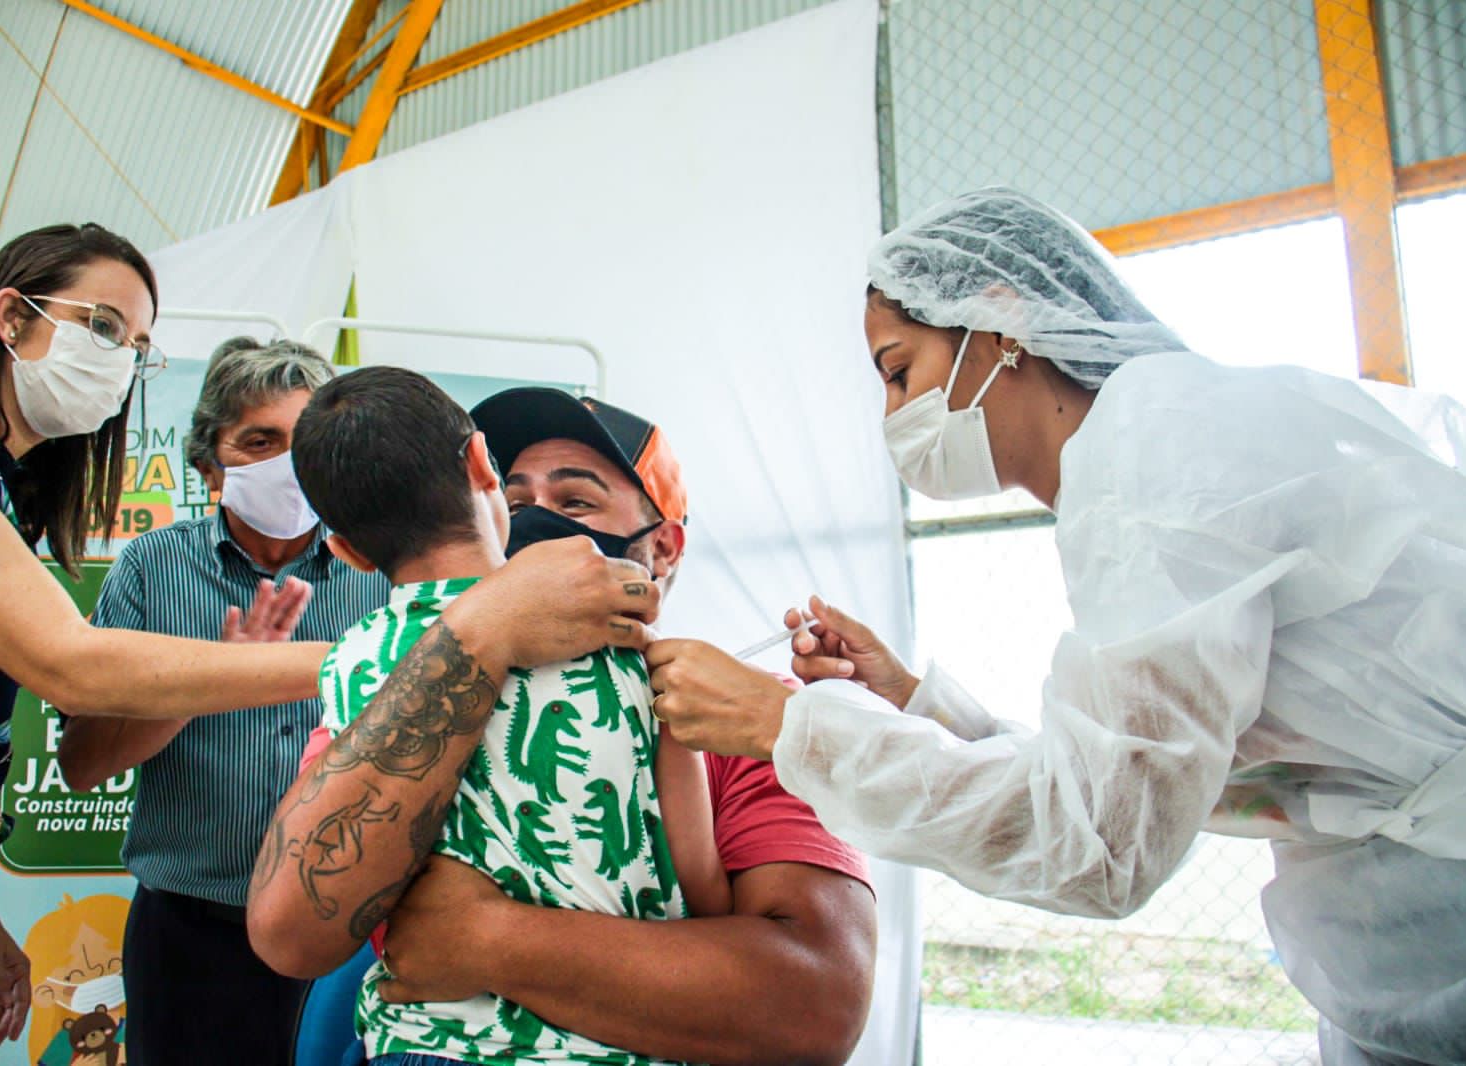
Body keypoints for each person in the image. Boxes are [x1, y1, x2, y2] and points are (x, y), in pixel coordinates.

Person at [644, 187, 1466, 1066]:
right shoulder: (1157, 446)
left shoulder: (1155, 468)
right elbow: (1125, 775)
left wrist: (785, 727)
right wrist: (912, 700)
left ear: (998, 321)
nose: (893, 418)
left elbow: (1100, 846)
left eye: (899, 370)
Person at [0, 223, 332, 1066]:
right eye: (107, 328)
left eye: (140, 346)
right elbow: (71, 666)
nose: (121, 361)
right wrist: (374, 662)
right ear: (11, 318)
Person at [369, 387, 877, 1066]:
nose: (535, 524)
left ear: (663, 548)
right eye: (514, 505)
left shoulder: (748, 720)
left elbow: (810, 1007)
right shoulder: (420, 692)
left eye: (575, 502)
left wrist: (479, 938)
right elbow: (300, 918)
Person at [246, 368, 731, 1065]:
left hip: (422, 1045)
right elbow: (700, 892)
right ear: (482, 466)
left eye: (575, 500)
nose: (541, 513)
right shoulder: (640, 661)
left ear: (346, 550)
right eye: (519, 487)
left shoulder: (353, 667)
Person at [57, 338, 389, 1065]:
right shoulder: (152, 567)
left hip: (341, 931)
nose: (287, 465)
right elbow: (80, 763)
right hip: (189, 930)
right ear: (209, 462)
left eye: (306, 443)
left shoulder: (386, 573)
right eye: (259, 441)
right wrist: (209, 682)